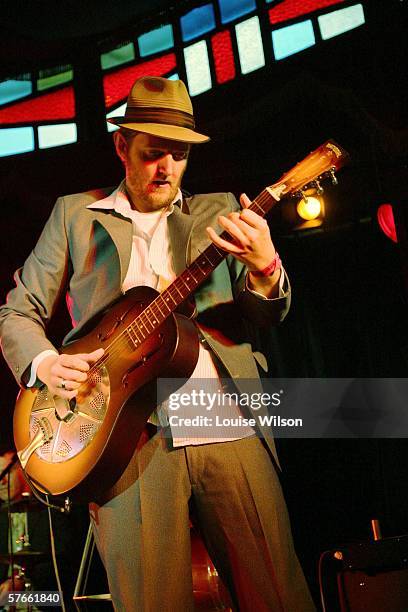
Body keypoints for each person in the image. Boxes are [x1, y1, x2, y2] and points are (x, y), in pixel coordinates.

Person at [0, 76, 315, 611]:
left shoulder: (219, 212)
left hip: (224, 421)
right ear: (122, 146)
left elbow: (265, 314)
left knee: (277, 595)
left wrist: (265, 267)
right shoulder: (75, 215)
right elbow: (17, 310)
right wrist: (47, 363)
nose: (166, 168)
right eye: (152, 154)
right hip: (125, 441)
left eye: (178, 156)